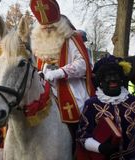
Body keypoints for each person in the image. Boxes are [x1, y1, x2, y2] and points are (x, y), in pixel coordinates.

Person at [30, 0, 94, 153]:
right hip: (44, 90)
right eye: (44, 28)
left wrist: (60, 72)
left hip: (71, 89)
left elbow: (84, 64)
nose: (47, 31)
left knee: (81, 122)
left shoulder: (71, 38)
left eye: (51, 28)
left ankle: (79, 151)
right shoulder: (37, 42)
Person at [76, 55, 135, 160]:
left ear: (121, 78)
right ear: (100, 81)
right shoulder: (91, 104)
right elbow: (82, 136)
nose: (112, 79)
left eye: (115, 75)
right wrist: (99, 147)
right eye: (107, 76)